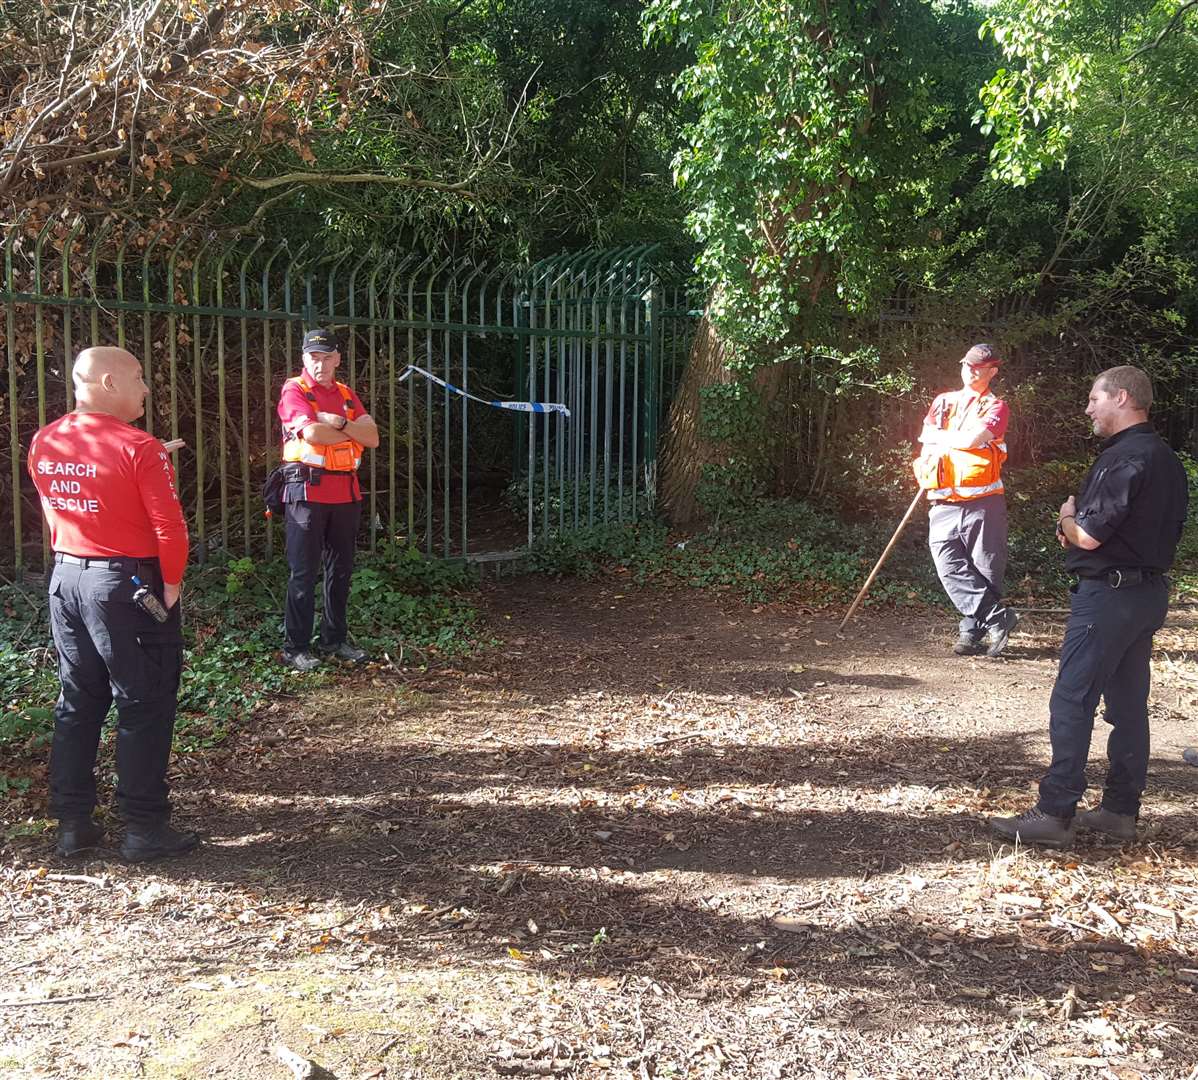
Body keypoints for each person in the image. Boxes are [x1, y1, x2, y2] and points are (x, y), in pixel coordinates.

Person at [991, 366, 1189, 847]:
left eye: (1093, 398)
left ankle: (1055, 813)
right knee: (1127, 707)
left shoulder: (1124, 459)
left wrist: (1065, 516)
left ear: (1121, 397)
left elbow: (1088, 535)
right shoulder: (1166, 458)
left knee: (1072, 702)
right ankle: (1120, 811)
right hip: (1147, 595)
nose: (1087, 409)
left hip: (1109, 598)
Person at [28, 346, 198, 861]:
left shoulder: (45, 439)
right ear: (107, 383)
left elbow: (72, 504)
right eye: (140, 378)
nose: (146, 388)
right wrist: (171, 584)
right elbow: (169, 525)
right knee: (144, 703)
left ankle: (73, 823)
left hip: (68, 578)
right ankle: (144, 828)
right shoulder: (137, 447)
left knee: (78, 701)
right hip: (127, 587)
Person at [277, 328, 379, 672]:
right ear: (304, 358)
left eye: (326, 357)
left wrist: (336, 421)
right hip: (306, 493)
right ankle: (296, 647)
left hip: (345, 493)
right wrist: (349, 430)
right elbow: (312, 434)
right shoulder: (295, 389)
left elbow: (373, 437)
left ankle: (334, 640)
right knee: (303, 573)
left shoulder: (347, 394)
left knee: (341, 570)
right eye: (313, 357)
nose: (319, 364)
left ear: (337, 358)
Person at [914, 344, 1020, 657]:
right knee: (947, 564)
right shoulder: (942, 402)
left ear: (992, 371)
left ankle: (971, 633)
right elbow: (925, 439)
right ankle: (998, 618)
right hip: (943, 501)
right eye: (967, 365)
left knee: (986, 570)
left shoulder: (997, 407)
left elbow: (973, 440)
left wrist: (943, 439)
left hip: (984, 502)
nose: (971, 371)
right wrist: (951, 441)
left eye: (978, 367)